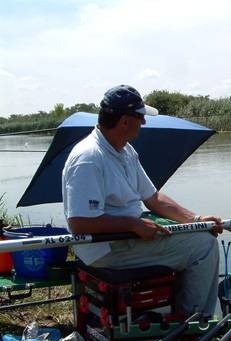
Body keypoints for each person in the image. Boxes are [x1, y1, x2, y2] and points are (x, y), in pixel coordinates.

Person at [62, 84, 222, 317]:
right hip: (106, 250)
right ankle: (197, 324)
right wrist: (132, 224)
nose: (144, 123)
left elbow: (153, 198)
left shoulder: (126, 151)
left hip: (128, 237)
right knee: (203, 246)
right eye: (140, 117)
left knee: (200, 234)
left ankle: (179, 313)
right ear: (125, 121)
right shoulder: (89, 158)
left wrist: (196, 219)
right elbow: (80, 222)